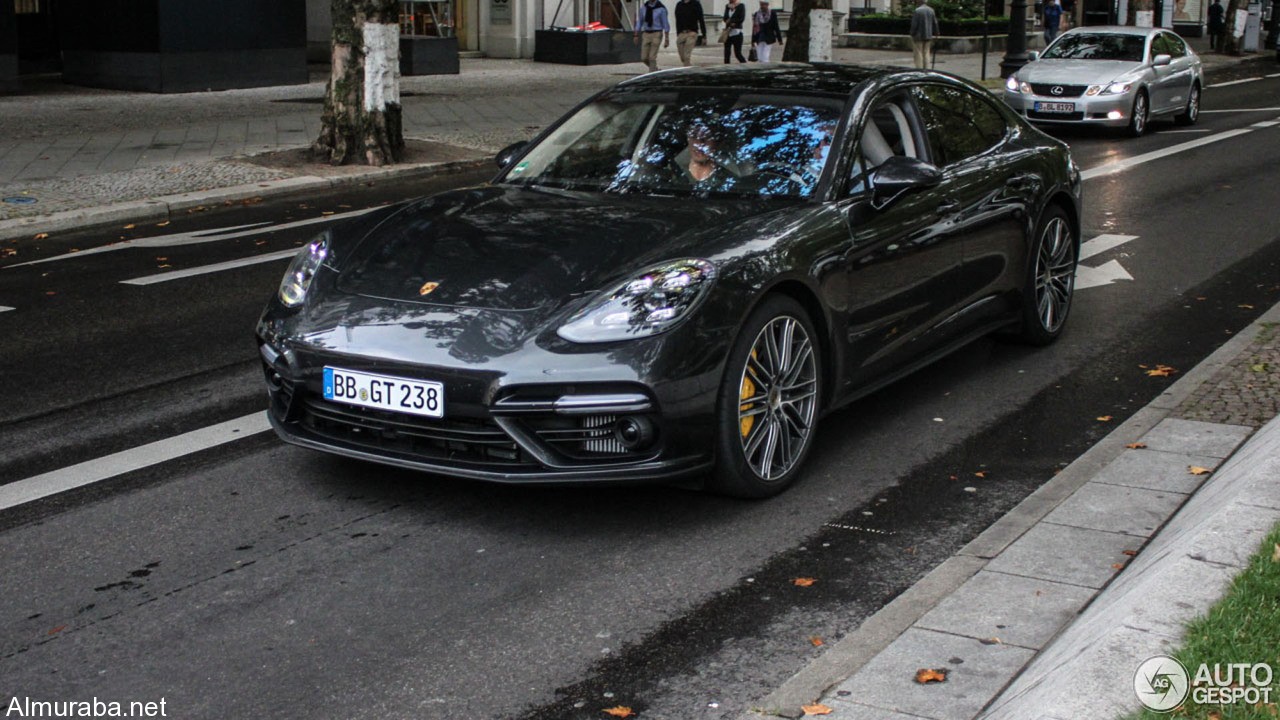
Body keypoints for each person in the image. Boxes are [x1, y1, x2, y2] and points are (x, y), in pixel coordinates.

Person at [634, 0, 670, 73]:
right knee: (644, 57)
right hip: (646, 34)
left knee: (652, 57)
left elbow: (665, 23)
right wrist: (636, 34)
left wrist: (666, 38)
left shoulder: (661, 9)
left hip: (656, 33)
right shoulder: (644, 8)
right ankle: (654, 69)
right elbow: (640, 22)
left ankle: (652, 72)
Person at [674, 0, 707, 67]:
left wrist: (704, 35)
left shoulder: (696, 4)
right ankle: (688, 66)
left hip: (692, 32)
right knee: (682, 56)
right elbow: (677, 19)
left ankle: (686, 70)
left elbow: (701, 19)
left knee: (687, 56)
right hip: (682, 33)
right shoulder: (679, 5)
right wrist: (678, 33)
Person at [909, 0, 940, 69]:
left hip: (918, 36)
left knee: (918, 53)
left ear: (919, 2)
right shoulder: (931, 10)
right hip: (928, 34)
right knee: (926, 52)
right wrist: (937, 33)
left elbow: (914, 24)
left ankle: (919, 68)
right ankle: (926, 68)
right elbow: (935, 23)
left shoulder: (917, 11)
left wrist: (912, 33)